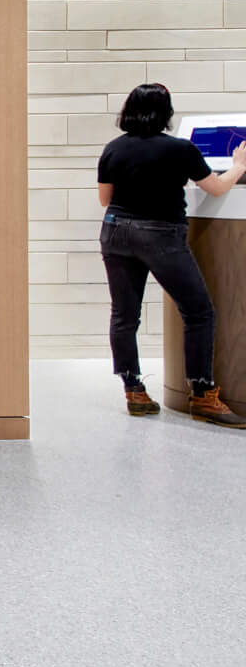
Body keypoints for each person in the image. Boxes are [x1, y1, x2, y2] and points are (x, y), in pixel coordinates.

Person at [96, 83, 246, 425]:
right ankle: (203, 395)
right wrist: (238, 164)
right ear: (166, 113)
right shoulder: (180, 149)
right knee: (198, 312)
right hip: (161, 235)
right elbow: (218, 187)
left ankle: (134, 390)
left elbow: (106, 200)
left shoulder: (113, 149)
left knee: (124, 315)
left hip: (116, 231)